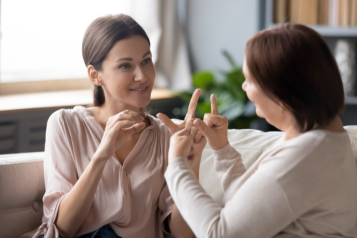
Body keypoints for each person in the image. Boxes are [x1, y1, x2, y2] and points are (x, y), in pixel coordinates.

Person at [164, 24, 357, 238]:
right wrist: (221, 149)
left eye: (250, 80)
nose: (244, 87)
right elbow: (249, 208)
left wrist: (176, 165)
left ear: (282, 94)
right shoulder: (321, 135)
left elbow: (219, 233)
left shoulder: (305, 157)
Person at [32, 14, 203, 238]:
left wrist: (189, 164)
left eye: (146, 61)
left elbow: (182, 234)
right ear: (95, 75)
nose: (142, 76)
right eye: (125, 66)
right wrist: (102, 154)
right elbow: (62, 228)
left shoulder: (164, 136)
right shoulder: (65, 124)